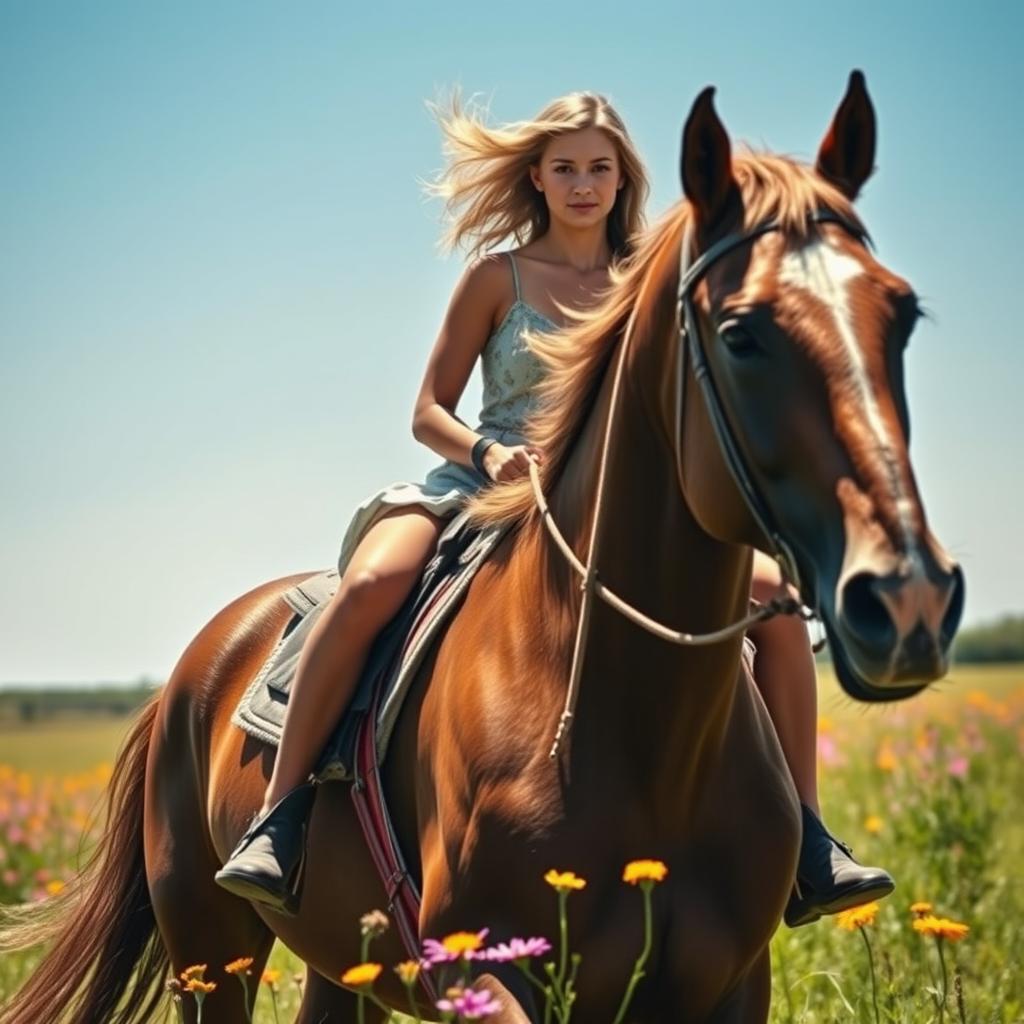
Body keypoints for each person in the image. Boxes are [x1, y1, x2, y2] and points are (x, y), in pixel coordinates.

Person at [214, 89, 893, 927]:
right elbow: (427, 409)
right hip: (485, 488)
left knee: (780, 610)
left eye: (599, 168)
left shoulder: (647, 279)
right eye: (565, 167)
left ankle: (812, 840)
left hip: (611, 509)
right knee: (370, 585)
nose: (582, 184)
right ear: (536, 176)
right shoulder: (495, 278)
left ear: (622, 180)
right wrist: (488, 452)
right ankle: (279, 821)